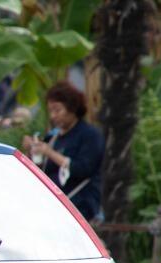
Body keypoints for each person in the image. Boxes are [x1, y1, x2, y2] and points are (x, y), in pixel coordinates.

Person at [22, 81, 104, 221]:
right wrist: (33, 150)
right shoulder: (53, 137)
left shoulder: (89, 135)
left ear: (72, 108)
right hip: (54, 207)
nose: (53, 116)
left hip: (80, 205)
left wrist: (50, 153)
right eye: (51, 111)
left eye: (57, 110)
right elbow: (43, 171)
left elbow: (83, 169)